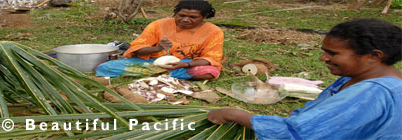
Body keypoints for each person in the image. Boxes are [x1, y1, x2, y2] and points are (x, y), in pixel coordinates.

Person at [207, 19, 402, 139]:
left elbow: (297, 135)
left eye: (332, 53)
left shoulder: (371, 92)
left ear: (374, 56)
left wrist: (234, 114)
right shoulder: (361, 79)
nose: (323, 58)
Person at [95, 0, 223, 80]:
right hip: (151, 62)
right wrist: (158, 48)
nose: (185, 20)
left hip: (186, 64)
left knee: (208, 72)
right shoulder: (158, 25)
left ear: (204, 16)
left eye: (192, 17)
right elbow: (136, 49)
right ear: (175, 13)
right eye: (181, 15)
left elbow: (211, 58)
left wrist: (185, 64)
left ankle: (151, 75)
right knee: (106, 67)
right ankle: (161, 74)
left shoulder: (213, 31)